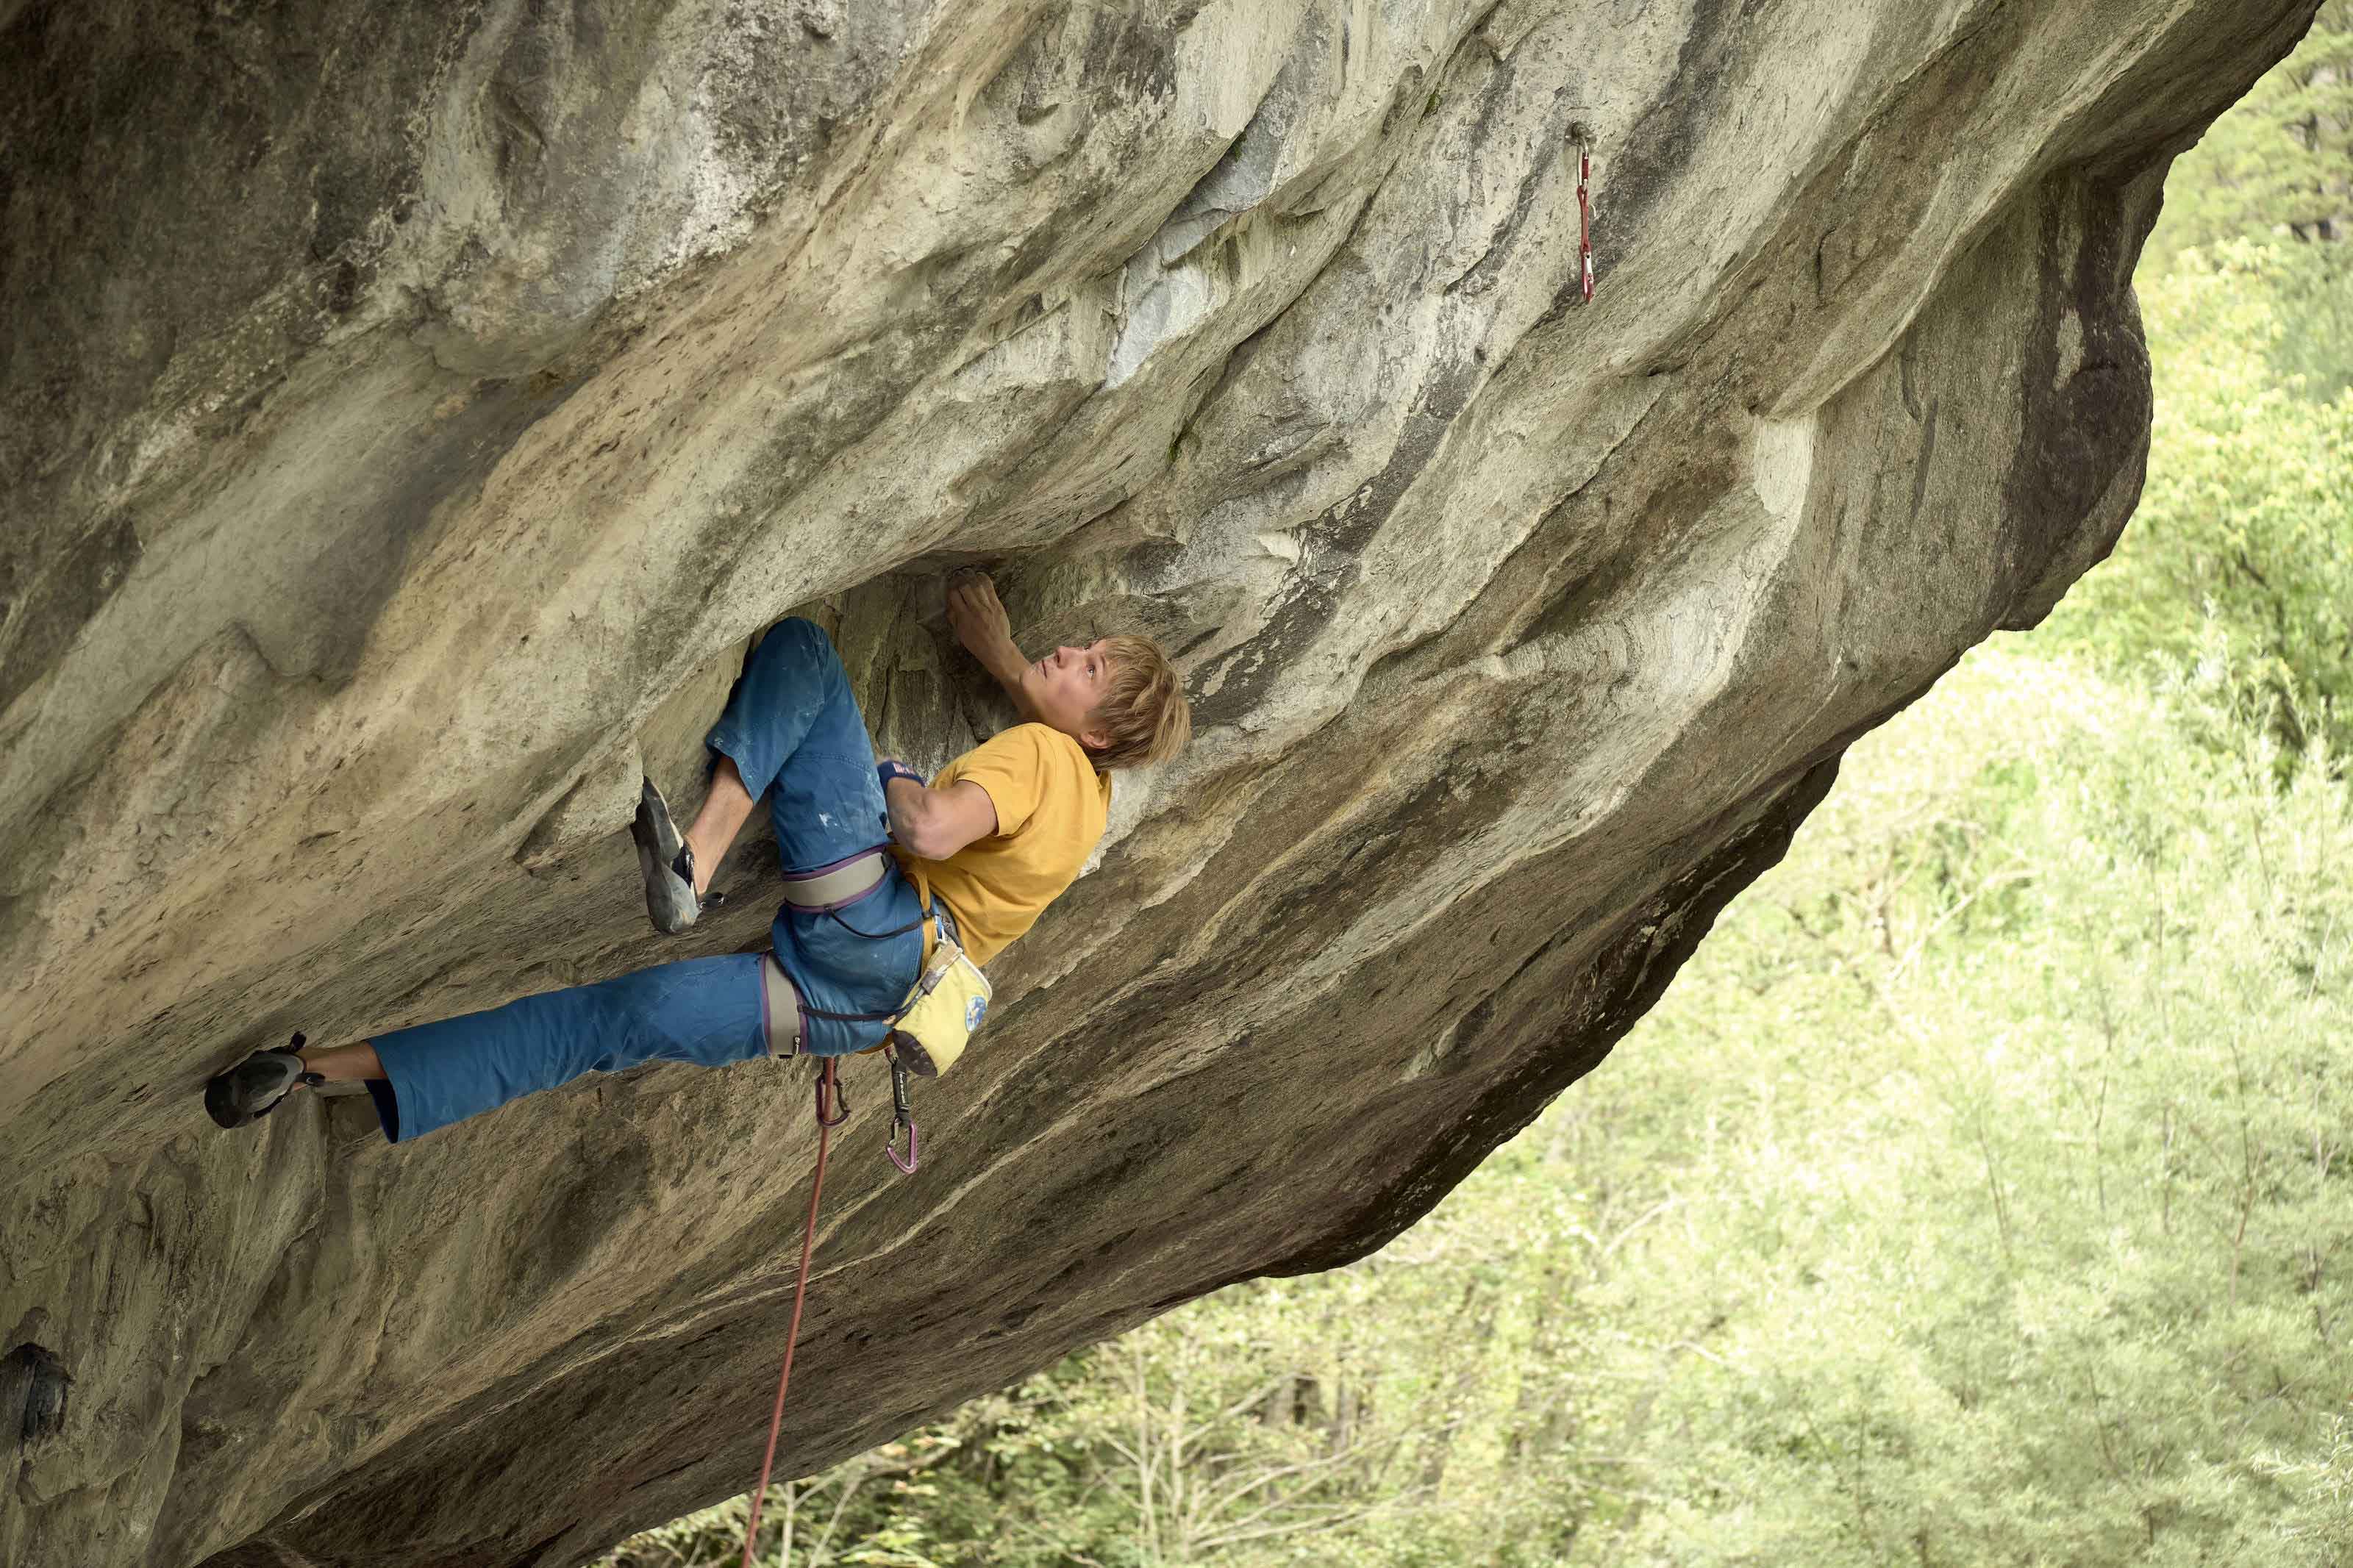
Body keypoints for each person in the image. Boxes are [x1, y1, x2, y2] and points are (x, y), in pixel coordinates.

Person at [203, 572, 1190, 1141]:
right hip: (851, 1008)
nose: (1070, 653)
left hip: (876, 924)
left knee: (804, 651)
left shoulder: (1045, 753)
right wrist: (1012, 663)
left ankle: (698, 856)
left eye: (1090, 667)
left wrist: (894, 774)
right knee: (601, 1025)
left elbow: (931, 830)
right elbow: (1040, 765)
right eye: (1086, 644)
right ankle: (308, 1071)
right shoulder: (1085, 800)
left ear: (1097, 731)